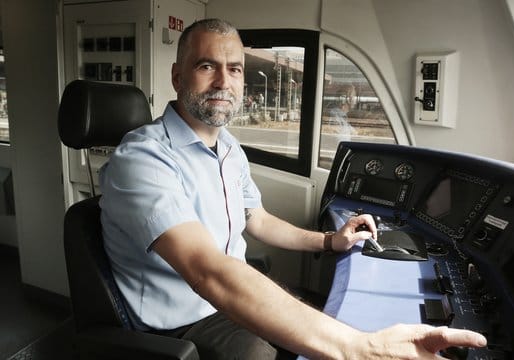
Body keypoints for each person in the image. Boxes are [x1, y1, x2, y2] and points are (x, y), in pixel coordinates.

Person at [99, 18, 487, 359]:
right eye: (206, 66)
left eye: (234, 69)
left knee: (327, 316)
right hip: (186, 321)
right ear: (177, 76)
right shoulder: (142, 159)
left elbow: (259, 219)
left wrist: (329, 241)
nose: (223, 81)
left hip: (229, 291)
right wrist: (358, 349)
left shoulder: (228, 147)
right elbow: (208, 272)